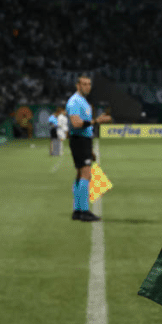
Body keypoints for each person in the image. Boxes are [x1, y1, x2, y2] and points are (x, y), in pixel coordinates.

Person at [67, 76, 111, 222]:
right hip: (79, 140)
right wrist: (97, 120)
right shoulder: (74, 101)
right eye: (84, 84)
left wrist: (90, 147)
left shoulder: (83, 101)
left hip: (83, 141)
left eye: (89, 84)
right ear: (77, 85)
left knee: (81, 174)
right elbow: (76, 123)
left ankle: (77, 210)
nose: (87, 86)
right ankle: (84, 211)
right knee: (86, 174)